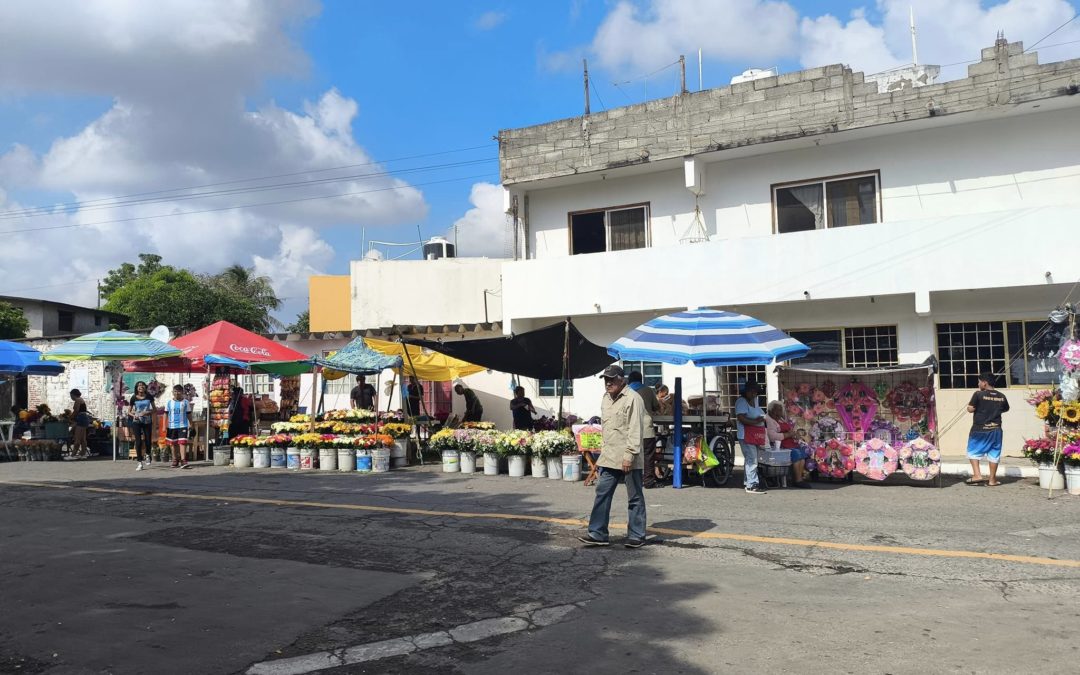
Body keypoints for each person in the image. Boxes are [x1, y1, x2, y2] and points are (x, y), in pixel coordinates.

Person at [578, 365, 647, 549]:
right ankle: (598, 533)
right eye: (605, 380)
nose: (608, 383)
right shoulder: (605, 398)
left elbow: (635, 429)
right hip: (609, 456)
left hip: (627, 456)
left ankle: (636, 534)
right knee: (602, 493)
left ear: (621, 379)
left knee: (634, 497)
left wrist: (629, 456)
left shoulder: (633, 398)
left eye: (611, 379)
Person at [966, 372, 1010, 487]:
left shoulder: (978, 394)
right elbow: (1005, 409)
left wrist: (972, 407)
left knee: (973, 452)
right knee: (994, 454)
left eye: (979, 381)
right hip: (996, 430)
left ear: (984, 383)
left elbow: (970, 409)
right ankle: (992, 480)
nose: (978, 384)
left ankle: (977, 475)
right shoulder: (1001, 396)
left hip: (979, 429)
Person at [628, 372, 662, 489]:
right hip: (646, 429)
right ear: (641, 380)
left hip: (630, 430)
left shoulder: (626, 392)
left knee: (631, 455)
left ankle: (631, 481)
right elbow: (656, 406)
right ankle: (648, 481)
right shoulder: (647, 390)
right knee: (648, 456)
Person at [766, 400, 811, 488]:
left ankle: (799, 478)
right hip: (779, 445)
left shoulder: (780, 419)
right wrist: (788, 434)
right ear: (771, 411)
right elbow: (772, 436)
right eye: (777, 410)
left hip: (789, 443)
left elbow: (789, 430)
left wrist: (794, 434)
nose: (779, 412)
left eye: (780, 410)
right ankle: (798, 480)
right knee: (796, 454)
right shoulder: (769, 420)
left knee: (802, 456)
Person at [735, 381, 767, 494]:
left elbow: (758, 412)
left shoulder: (755, 401)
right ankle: (752, 485)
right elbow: (741, 418)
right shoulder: (741, 401)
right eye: (752, 392)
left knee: (751, 459)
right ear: (747, 391)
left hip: (754, 435)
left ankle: (748, 482)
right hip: (745, 435)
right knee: (752, 459)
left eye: (756, 392)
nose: (754, 394)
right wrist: (755, 421)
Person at [129, 381, 155, 470]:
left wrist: (147, 412)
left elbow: (154, 409)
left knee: (148, 440)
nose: (141, 387)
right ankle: (139, 462)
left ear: (145, 387)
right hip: (137, 421)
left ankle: (148, 454)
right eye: (139, 386)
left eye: (142, 385)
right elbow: (129, 411)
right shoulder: (133, 398)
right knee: (138, 441)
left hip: (147, 421)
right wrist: (134, 415)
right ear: (136, 388)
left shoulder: (149, 396)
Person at [165, 384, 192, 469]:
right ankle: (175, 459)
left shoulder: (185, 402)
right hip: (172, 426)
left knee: (182, 443)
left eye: (179, 391)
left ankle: (183, 460)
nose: (177, 393)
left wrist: (191, 423)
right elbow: (165, 414)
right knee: (173, 444)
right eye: (175, 391)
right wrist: (164, 425)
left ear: (182, 392)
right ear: (173, 392)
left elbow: (189, 414)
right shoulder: (169, 402)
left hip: (182, 425)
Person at [69, 389, 91, 458]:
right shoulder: (81, 399)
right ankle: (83, 453)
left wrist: (70, 418)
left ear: (73, 395)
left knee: (77, 438)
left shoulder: (78, 400)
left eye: (71, 395)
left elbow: (76, 411)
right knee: (83, 439)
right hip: (84, 418)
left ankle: (73, 455)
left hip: (81, 418)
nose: (71, 397)